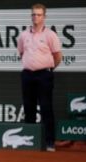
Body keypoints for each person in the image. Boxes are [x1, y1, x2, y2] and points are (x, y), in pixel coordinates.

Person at [17, 3, 62, 152]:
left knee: (46, 108)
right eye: (33, 14)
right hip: (27, 75)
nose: (35, 17)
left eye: (38, 14)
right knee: (29, 107)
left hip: (44, 75)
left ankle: (49, 142)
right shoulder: (24, 35)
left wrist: (47, 68)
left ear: (44, 17)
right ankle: (30, 141)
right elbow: (21, 53)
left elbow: (57, 56)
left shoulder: (50, 35)